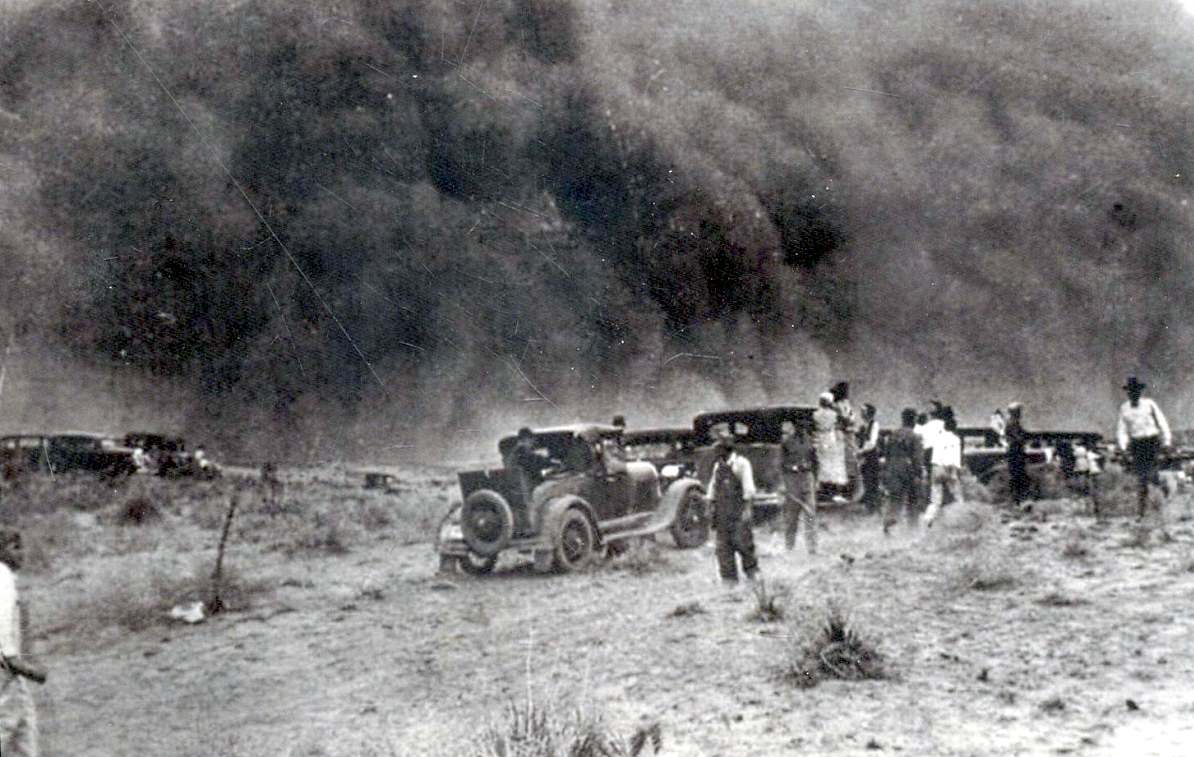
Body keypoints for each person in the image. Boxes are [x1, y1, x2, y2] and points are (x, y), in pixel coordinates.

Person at [0, 528, 37, 756]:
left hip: (11, 672)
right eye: (15, 548)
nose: (22, 553)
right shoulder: (3, 578)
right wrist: (15, 660)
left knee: (23, 728)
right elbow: (3, 625)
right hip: (7, 669)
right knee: (9, 724)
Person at [705, 436, 760, 589]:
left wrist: (747, 511)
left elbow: (748, 489)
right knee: (723, 548)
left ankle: (752, 575)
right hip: (722, 512)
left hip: (738, 511)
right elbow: (712, 489)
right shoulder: (718, 466)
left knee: (744, 544)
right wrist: (710, 508)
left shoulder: (741, 464)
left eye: (718, 450)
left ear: (726, 450)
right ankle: (729, 580)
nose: (716, 453)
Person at [1117, 377, 1173, 519]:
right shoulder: (1124, 408)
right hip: (1137, 444)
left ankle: (1165, 488)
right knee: (1141, 479)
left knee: (1151, 475)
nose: (1133, 393)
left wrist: (1167, 442)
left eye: (1136, 391)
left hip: (1151, 442)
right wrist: (1123, 447)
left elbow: (1162, 422)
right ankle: (1141, 513)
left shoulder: (1149, 404)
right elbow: (1122, 430)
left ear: (1140, 391)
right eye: (1130, 391)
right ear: (1128, 392)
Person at [883, 408, 925, 534]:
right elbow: (917, 457)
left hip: (892, 467)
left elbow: (887, 453)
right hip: (907, 468)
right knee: (913, 499)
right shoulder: (915, 436)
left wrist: (887, 469)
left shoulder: (893, 434)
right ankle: (913, 528)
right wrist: (919, 473)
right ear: (913, 420)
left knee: (894, 499)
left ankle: (889, 526)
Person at [780, 420, 817, 554]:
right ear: (795, 427)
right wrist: (793, 468)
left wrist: (815, 480)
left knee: (810, 514)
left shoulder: (810, 442)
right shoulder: (787, 442)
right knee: (792, 516)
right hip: (793, 479)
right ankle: (789, 546)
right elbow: (782, 464)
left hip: (807, 478)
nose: (802, 429)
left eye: (804, 426)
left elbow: (815, 462)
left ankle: (812, 548)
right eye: (800, 426)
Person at [923, 417, 964, 527]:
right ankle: (961, 518)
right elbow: (955, 458)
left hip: (936, 468)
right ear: (954, 427)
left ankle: (928, 520)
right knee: (957, 495)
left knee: (935, 499)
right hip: (949, 468)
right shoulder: (955, 439)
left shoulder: (937, 438)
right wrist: (954, 473)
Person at [813, 393, 848, 503]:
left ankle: (824, 490)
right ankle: (835, 492)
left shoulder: (815, 414)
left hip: (820, 438)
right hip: (830, 439)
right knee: (833, 465)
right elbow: (844, 422)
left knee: (823, 464)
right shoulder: (834, 414)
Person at [857, 404, 881, 514]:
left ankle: (873, 507)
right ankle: (869, 504)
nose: (861, 413)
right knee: (866, 480)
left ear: (868, 413)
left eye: (863, 411)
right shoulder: (864, 426)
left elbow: (872, 442)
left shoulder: (874, 425)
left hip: (871, 456)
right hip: (865, 456)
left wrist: (861, 451)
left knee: (872, 481)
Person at [1005, 403, 1029, 509]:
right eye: (1018, 411)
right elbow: (1017, 438)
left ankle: (1017, 500)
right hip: (1016, 452)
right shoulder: (1013, 423)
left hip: (1015, 451)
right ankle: (1017, 501)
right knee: (1018, 476)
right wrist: (1024, 438)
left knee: (1017, 476)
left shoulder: (1013, 423)